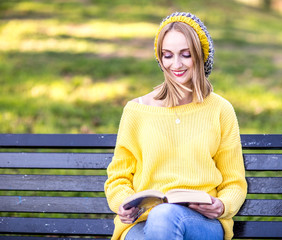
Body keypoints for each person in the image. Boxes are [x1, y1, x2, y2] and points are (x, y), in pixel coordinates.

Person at [104, 12, 247, 240]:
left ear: (200, 56)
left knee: (165, 216)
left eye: (186, 55)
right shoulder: (136, 111)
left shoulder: (220, 109)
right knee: (155, 224)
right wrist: (123, 203)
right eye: (167, 55)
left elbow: (234, 182)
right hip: (143, 224)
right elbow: (118, 178)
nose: (176, 64)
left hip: (201, 223)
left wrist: (222, 206)